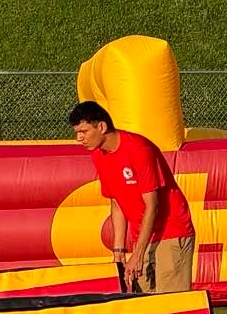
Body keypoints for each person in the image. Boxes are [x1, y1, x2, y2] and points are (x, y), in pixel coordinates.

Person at [67, 101, 197, 293]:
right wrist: (119, 250)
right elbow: (116, 202)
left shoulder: (138, 149)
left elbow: (152, 206)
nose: (79, 138)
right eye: (77, 133)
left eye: (84, 132)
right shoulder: (98, 154)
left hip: (171, 230)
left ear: (101, 127)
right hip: (142, 235)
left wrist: (138, 254)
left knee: (169, 304)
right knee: (142, 299)